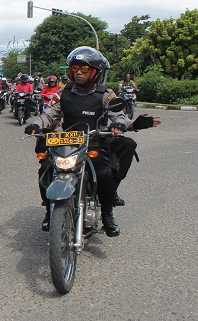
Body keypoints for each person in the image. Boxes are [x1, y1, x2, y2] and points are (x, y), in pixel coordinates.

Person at [25, 46, 161, 237]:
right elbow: (49, 115)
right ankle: (50, 210)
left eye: (84, 69)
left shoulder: (106, 94)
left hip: (94, 140)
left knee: (104, 173)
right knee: (46, 168)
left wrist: (125, 125)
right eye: (75, 68)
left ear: (95, 72)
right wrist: (36, 125)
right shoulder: (63, 93)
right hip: (68, 141)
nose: (78, 72)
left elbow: (118, 115)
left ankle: (107, 214)